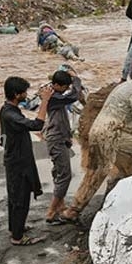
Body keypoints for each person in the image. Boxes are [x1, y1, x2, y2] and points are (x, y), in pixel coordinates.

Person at [59, 64, 132, 222]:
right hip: (112, 134)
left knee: (96, 172)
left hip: (97, 130)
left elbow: (127, 118)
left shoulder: (124, 87)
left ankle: (73, 210)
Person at [0, 76, 54, 245]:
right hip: (18, 161)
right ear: (17, 94)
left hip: (16, 157)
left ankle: (15, 227)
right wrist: (45, 101)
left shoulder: (8, 109)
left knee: (16, 196)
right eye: (24, 92)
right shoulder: (10, 114)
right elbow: (37, 125)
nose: (26, 95)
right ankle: (18, 237)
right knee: (20, 197)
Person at [43, 68, 82, 224]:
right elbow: (74, 96)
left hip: (60, 137)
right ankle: (51, 211)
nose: (67, 88)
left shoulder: (54, 94)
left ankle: (60, 205)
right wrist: (76, 80)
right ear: (56, 85)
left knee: (59, 172)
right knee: (65, 175)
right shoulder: (53, 97)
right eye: (65, 86)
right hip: (56, 139)